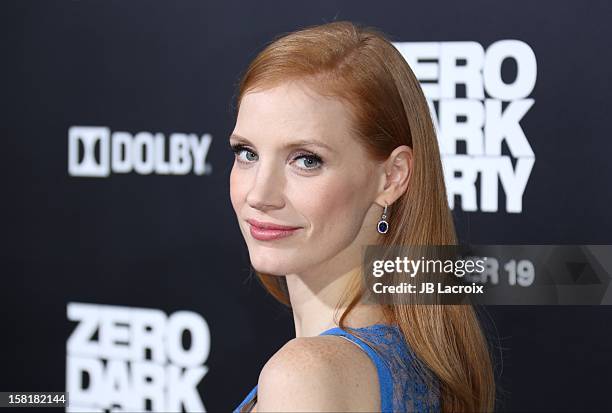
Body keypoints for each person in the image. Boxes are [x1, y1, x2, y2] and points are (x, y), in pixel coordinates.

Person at [229, 21, 495, 412]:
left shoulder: (305, 376)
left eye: (306, 160)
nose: (259, 194)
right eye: (247, 153)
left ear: (392, 177)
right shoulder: (415, 355)